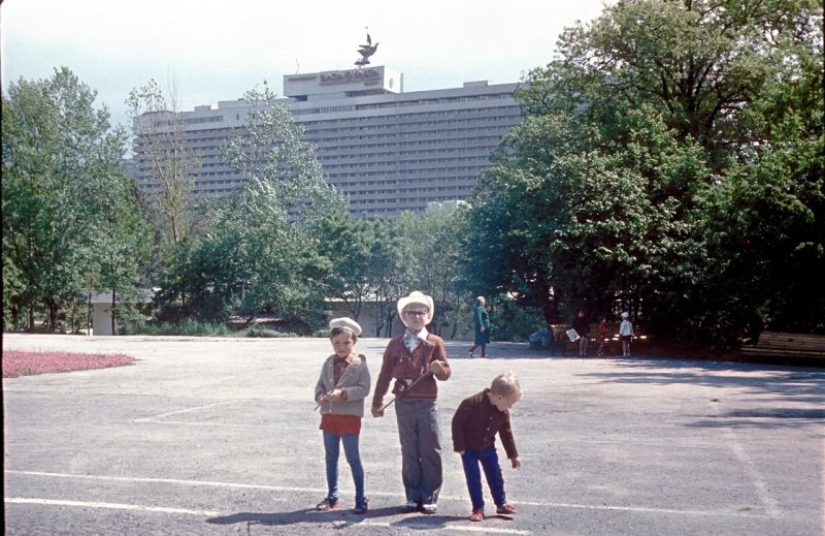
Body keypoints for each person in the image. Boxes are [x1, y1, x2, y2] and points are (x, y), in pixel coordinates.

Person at [371, 291, 452, 514]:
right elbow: (385, 375)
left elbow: (446, 373)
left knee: (430, 449)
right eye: (411, 312)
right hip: (403, 404)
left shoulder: (434, 343)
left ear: (428, 316)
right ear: (403, 317)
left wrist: (439, 369)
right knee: (409, 449)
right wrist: (377, 402)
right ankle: (412, 494)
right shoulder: (395, 344)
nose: (416, 316)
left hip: (427, 404)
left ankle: (429, 495)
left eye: (421, 312)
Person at [314, 317, 371, 514]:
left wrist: (343, 394)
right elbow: (320, 384)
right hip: (329, 417)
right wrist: (320, 395)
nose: (341, 347)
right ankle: (332, 496)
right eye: (336, 343)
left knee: (353, 458)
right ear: (331, 342)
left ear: (354, 342)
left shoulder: (359, 364)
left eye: (346, 342)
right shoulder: (328, 362)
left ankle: (361, 497)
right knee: (331, 457)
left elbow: (364, 388)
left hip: (349, 418)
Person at [451, 372, 522, 522]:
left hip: (488, 449)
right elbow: (457, 424)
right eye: (510, 403)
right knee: (473, 478)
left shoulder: (502, 412)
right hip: (469, 450)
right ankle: (478, 508)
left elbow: (506, 433)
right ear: (499, 397)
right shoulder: (471, 403)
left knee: (495, 475)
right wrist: (459, 446)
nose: (510, 407)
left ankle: (501, 503)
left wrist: (513, 455)